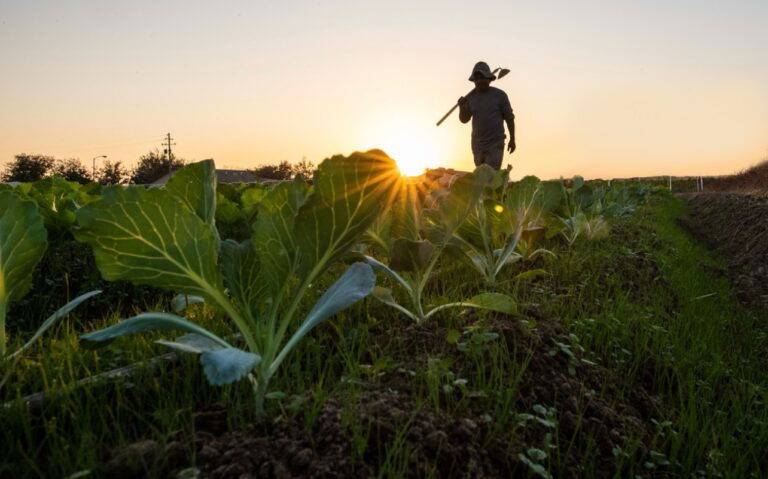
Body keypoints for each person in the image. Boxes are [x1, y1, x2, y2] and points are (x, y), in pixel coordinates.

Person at [457, 61, 515, 170]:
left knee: (491, 174)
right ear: (474, 81)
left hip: (495, 143)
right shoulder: (470, 98)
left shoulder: (500, 96)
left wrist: (512, 139)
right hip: (477, 144)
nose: (480, 81)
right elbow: (464, 119)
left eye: (482, 77)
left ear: (489, 79)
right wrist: (461, 107)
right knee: (481, 177)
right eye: (477, 79)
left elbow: (510, 118)